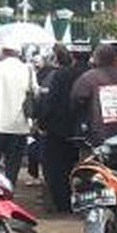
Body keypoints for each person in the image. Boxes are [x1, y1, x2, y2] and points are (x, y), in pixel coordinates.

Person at [38, 45, 89, 213]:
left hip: (60, 130)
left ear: (73, 56)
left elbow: (51, 102)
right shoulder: (94, 74)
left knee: (58, 169)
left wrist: (43, 123)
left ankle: (63, 204)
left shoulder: (61, 75)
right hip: (87, 131)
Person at [0, 43, 37, 185]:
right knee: (13, 166)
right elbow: (34, 92)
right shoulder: (27, 69)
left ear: (3, 52)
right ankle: (9, 190)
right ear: (18, 53)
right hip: (18, 124)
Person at [71, 43, 117, 145]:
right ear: (114, 58)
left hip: (99, 135)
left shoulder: (88, 78)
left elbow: (75, 101)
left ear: (96, 58)